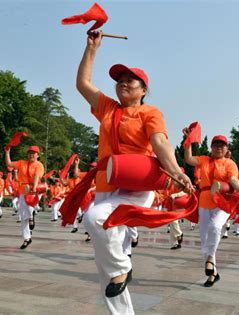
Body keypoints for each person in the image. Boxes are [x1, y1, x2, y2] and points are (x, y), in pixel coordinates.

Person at [76, 30, 193, 314]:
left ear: (143, 89)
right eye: (119, 80)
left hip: (138, 186)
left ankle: (124, 266)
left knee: (94, 220)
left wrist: (176, 171)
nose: (123, 84)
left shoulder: (150, 113)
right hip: (107, 184)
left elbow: (160, 142)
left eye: (130, 80)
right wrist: (91, 48)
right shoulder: (107, 109)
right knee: (105, 262)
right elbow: (83, 84)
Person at [184, 134, 239, 286]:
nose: (219, 147)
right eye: (216, 144)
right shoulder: (204, 160)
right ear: (211, 147)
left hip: (223, 202)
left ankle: (210, 259)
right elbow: (188, 159)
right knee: (205, 240)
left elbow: (233, 180)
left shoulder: (230, 164)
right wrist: (188, 141)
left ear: (227, 148)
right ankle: (213, 273)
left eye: (222, 145)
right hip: (204, 201)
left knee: (215, 227)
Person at [5, 145, 45, 249]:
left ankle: (32, 216)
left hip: (33, 191)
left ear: (38, 155)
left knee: (29, 209)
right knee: (23, 217)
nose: (31, 155)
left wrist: (34, 187)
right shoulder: (21, 163)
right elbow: (9, 164)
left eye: (33, 153)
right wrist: (7, 152)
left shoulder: (39, 165)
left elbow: (37, 176)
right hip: (23, 191)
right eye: (29, 153)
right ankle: (27, 238)